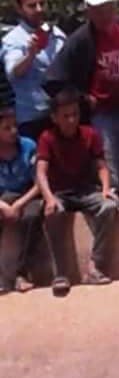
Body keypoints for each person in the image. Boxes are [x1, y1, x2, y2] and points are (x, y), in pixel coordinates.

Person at [59, 0, 119, 205]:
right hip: (103, 112)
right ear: (89, 12)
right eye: (99, 10)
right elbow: (55, 79)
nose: (105, 14)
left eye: (109, 8)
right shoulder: (80, 40)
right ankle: (110, 207)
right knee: (109, 163)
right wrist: (83, 99)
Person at [35, 86, 119, 293]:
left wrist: (106, 189)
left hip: (86, 190)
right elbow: (40, 173)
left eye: (75, 114)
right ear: (55, 118)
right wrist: (49, 198)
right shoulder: (47, 138)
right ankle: (60, 274)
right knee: (54, 212)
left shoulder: (89, 134)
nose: (71, 120)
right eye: (66, 116)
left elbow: (101, 165)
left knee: (109, 206)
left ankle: (95, 267)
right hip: (60, 193)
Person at [3, 0, 67, 142]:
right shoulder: (13, 40)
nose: (39, 9)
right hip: (32, 120)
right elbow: (13, 72)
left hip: (61, 116)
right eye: (32, 5)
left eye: (42, 3)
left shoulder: (56, 33)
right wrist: (31, 54)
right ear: (19, 8)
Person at [0, 104, 42, 294]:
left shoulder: (29, 146)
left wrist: (18, 204)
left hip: (27, 195)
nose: (13, 131)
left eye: (15, 126)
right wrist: (3, 206)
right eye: (7, 128)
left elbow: (39, 183)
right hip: (2, 198)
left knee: (32, 217)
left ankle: (22, 273)